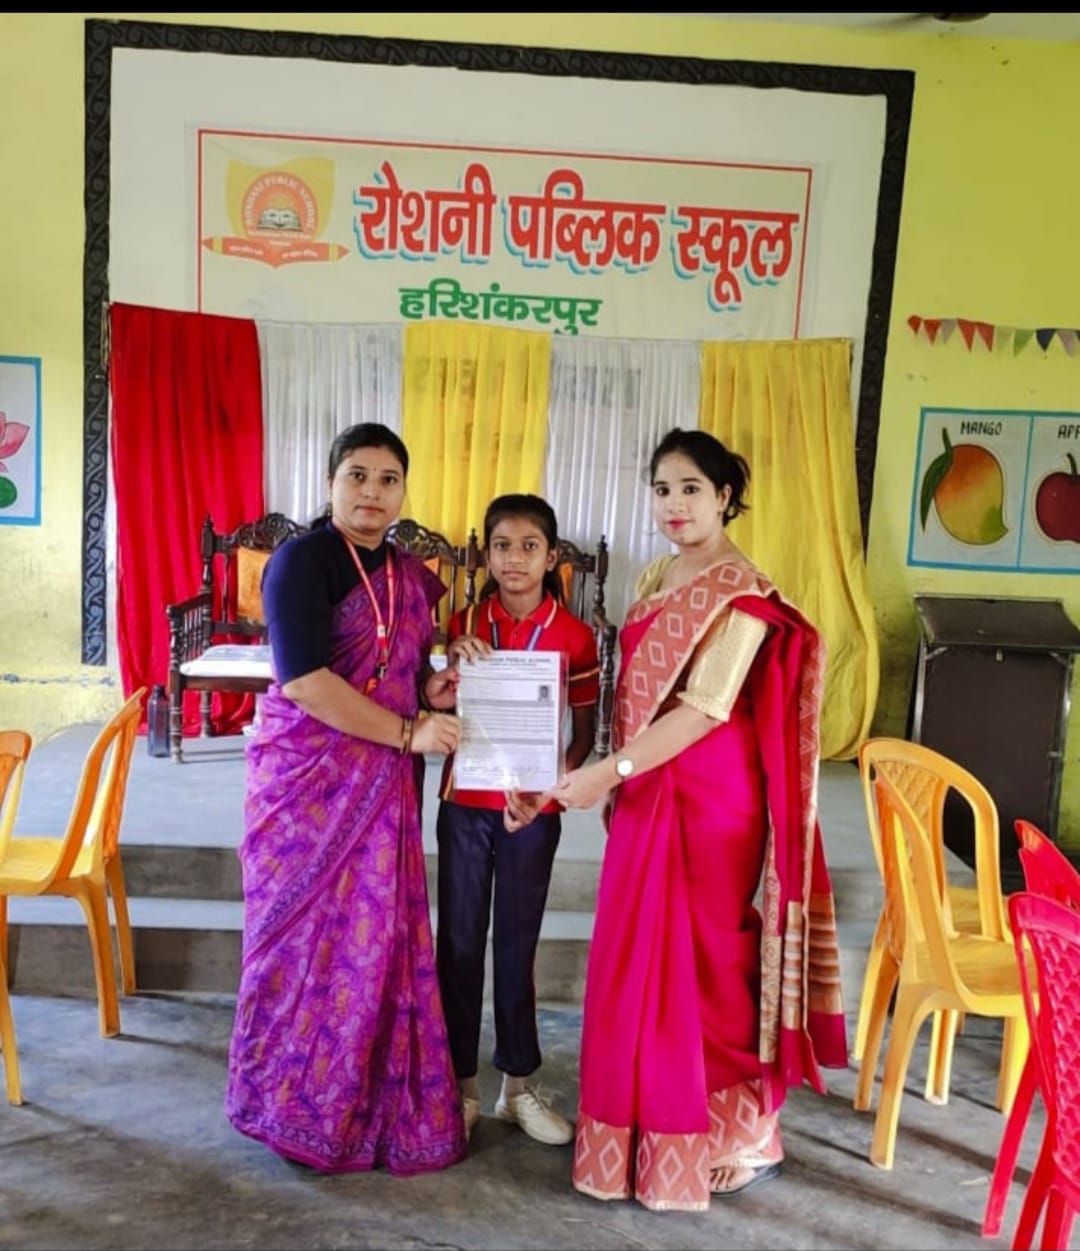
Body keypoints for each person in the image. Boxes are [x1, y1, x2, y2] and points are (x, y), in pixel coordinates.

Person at [551, 428, 848, 1212]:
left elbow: (704, 710)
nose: (674, 504)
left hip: (712, 802)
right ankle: (651, 1124)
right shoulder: (659, 575)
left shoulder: (742, 593)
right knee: (636, 961)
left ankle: (749, 1130)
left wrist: (606, 772)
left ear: (724, 496)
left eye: (691, 489)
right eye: (662, 490)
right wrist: (616, 772)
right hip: (649, 785)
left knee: (709, 960)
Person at [225, 422, 468, 1176]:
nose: (372, 492)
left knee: (375, 947)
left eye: (388, 479)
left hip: (383, 788)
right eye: (357, 475)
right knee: (298, 944)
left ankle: (366, 1106)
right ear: (331, 482)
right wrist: (407, 730)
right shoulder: (302, 561)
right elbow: (304, 681)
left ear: (404, 490)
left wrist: (433, 691)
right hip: (308, 788)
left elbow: (407, 668)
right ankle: (291, 1106)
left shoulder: (409, 573)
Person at [436, 494, 599, 1146]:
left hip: (532, 813)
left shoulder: (575, 635)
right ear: (486, 554)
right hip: (464, 805)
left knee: (516, 944)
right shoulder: (464, 622)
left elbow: (583, 733)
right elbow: (439, 705)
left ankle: (517, 1088)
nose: (515, 559)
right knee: (459, 944)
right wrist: (451, 664)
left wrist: (551, 789)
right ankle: (461, 1087)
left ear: (551, 556)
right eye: (502, 546)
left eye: (530, 546)